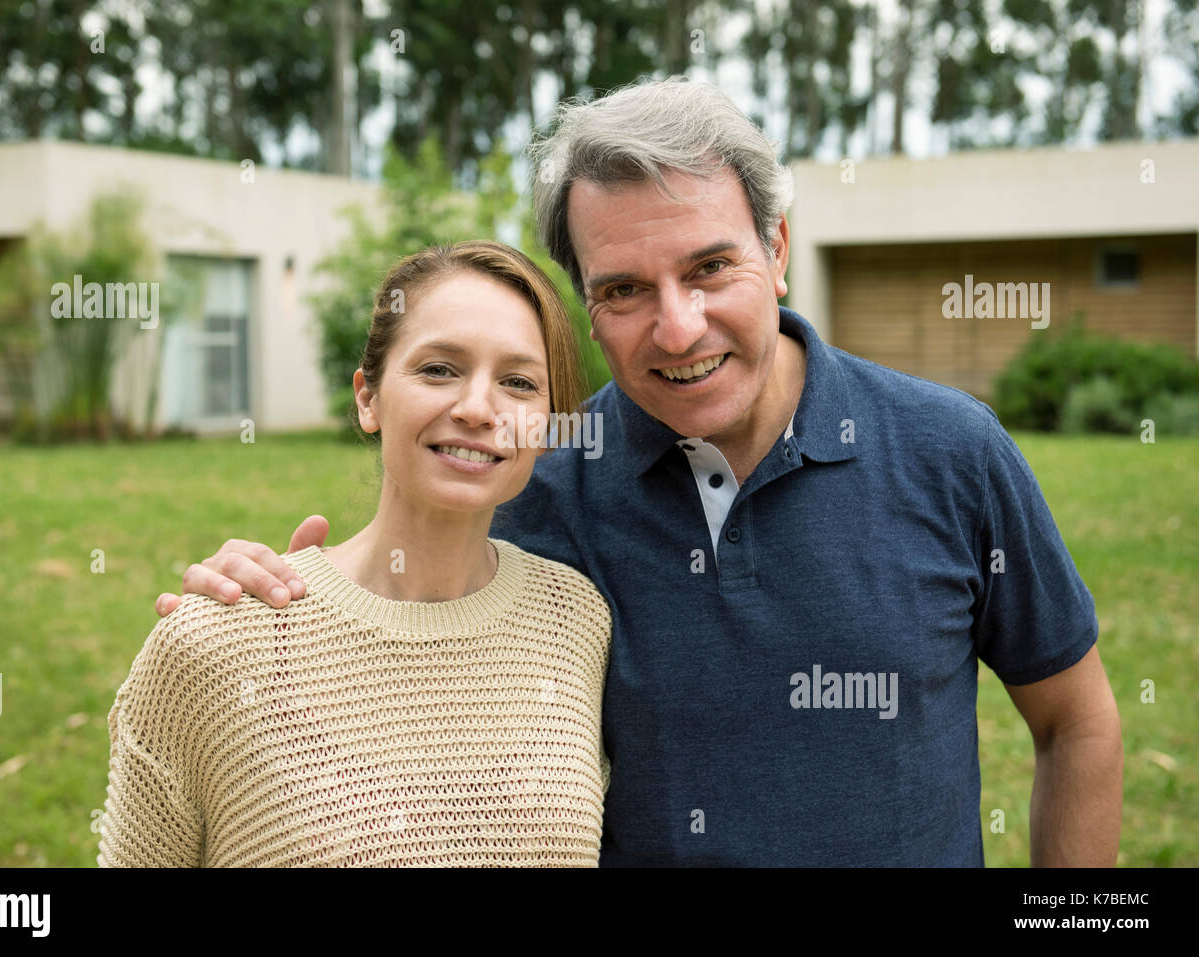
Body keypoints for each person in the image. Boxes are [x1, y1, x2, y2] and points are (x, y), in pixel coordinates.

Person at [157, 77, 1123, 866]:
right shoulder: (533, 485)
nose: (678, 327)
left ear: (775, 249)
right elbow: (396, 651)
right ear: (585, 301)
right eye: (623, 289)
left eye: (709, 269)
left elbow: (1076, 724)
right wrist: (260, 602)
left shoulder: (953, 451)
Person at [99, 241, 613, 867]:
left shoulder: (579, 621)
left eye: (518, 382)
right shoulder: (215, 644)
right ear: (368, 398)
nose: (479, 409)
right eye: (439, 369)